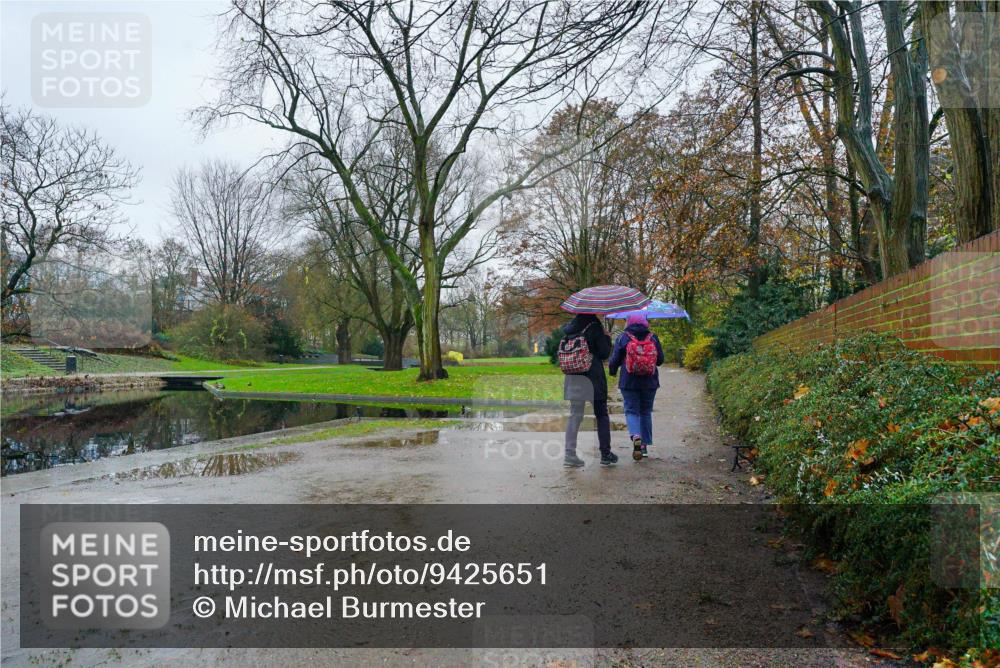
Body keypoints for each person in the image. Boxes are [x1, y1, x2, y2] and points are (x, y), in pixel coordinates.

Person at [560, 313, 615, 468]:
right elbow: (604, 353)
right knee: (601, 414)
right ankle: (605, 454)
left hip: (573, 378)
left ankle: (569, 454)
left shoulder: (569, 330)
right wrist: (607, 338)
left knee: (575, 415)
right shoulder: (595, 327)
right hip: (593, 378)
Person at [608, 312, 664, 460]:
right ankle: (644, 447)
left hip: (629, 381)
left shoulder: (623, 337)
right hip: (650, 381)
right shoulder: (653, 337)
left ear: (629, 321)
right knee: (645, 412)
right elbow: (660, 360)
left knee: (632, 411)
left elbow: (614, 359)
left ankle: (636, 436)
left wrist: (612, 372)